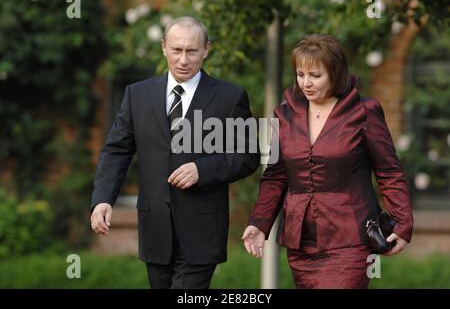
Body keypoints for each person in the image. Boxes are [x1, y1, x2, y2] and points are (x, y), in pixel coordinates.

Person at [90, 16, 260, 289]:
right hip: (154, 226)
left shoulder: (231, 97)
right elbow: (117, 150)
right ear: (163, 47)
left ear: (206, 49)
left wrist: (202, 170)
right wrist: (102, 199)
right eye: (176, 49)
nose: (183, 59)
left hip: (202, 231)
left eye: (192, 51)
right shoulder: (137, 95)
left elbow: (248, 155)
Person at [242, 34, 413, 289]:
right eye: (300, 75)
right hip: (301, 244)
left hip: (350, 239)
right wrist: (259, 223)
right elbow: (276, 176)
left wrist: (403, 222)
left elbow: (388, 171)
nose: (306, 83)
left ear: (335, 72)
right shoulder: (284, 115)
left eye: (315, 75)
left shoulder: (364, 112)